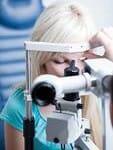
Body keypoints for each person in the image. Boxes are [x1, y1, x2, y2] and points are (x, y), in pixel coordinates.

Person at [1, 0, 113, 149]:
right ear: (42, 60)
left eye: (81, 59)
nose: (74, 71)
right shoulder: (19, 107)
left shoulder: (99, 96)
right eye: (61, 61)